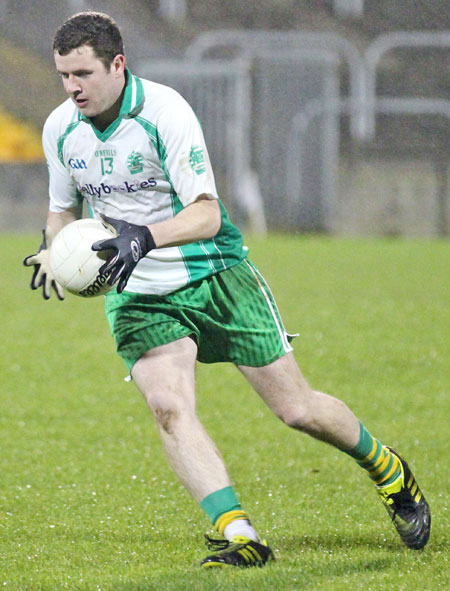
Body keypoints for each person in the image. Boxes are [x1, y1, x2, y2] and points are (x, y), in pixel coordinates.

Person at [24, 11, 430, 568]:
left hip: (214, 273)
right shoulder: (60, 128)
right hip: (137, 290)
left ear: (118, 65)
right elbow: (61, 207)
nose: (72, 88)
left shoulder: (165, 113)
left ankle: (388, 469)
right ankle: (239, 534)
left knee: (297, 409)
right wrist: (53, 247)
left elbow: (208, 217)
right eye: (63, 76)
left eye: (83, 74)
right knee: (167, 406)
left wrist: (143, 237)